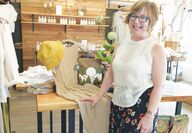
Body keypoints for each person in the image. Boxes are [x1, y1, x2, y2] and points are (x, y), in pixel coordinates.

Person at [82, 0, 166, 133]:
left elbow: (159, 85)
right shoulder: (120, 45)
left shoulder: (156, 49)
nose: (136, 21)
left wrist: (149, 116)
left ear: (151, 21)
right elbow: (111, 73)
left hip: (141, 109)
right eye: (134, 15)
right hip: (117, 105)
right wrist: (99, 95)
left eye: (143, 18)